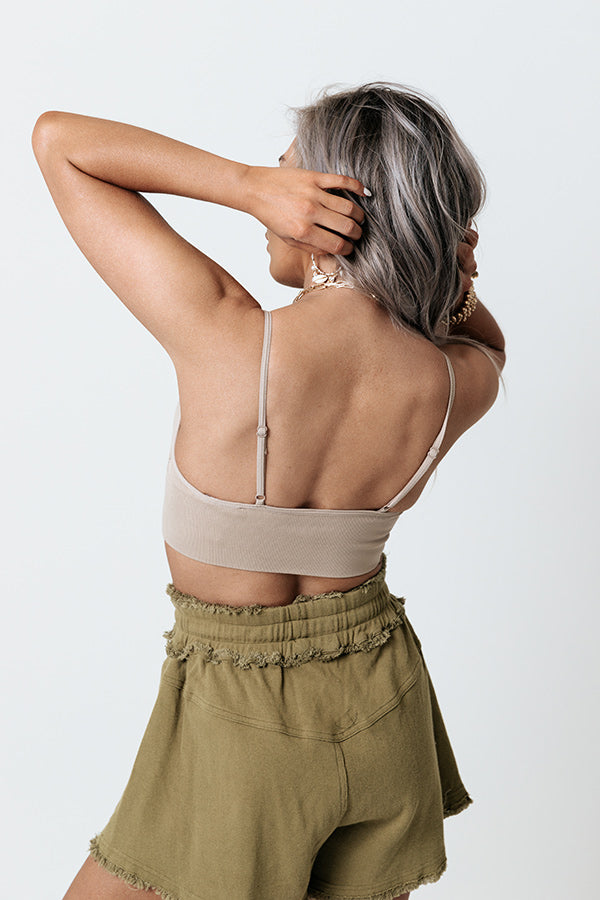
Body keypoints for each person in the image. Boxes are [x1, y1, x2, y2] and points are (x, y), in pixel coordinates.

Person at [32, 81, 506, 900]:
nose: (271, 201)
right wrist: (449, 271)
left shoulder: (225, 334)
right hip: (387, 704)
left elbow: (59, 142)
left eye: (289, 175)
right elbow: (489, 346)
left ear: (330, 208)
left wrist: (243, 185)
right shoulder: (450, 383)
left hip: (241, 717)